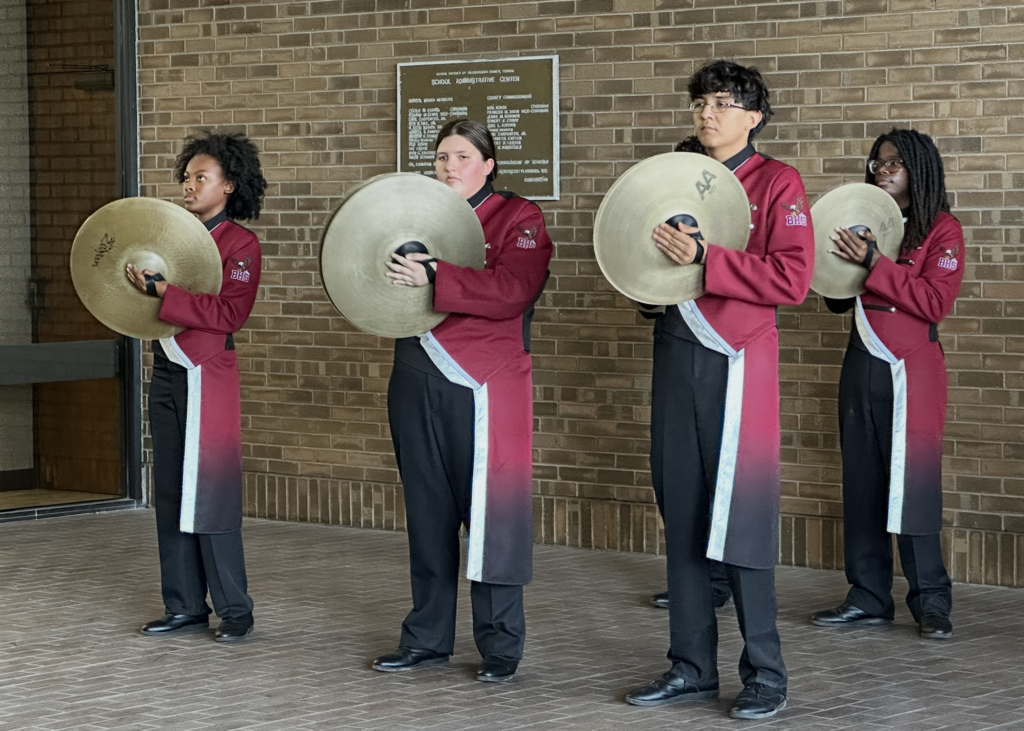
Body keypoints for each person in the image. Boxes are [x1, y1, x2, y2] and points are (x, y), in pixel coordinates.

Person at [626, 60, 814, 720]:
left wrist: (707, 259)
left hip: (739, 366)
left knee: (745, 516)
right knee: (682, 515)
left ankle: (766, 671)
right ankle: (690, 665)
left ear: (754, 116)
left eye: (724, 103)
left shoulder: (777, 181)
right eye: (702, 101)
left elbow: (792, 280)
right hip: (677, 355)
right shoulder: (673, 177)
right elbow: (646, 268)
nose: (708, 112)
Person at [373, 119, 552, 682]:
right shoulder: (412, 214)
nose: (451, 166)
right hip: (415, 373)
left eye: (463, 156)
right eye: (443, 157)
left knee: (492, 514)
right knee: (427, 515)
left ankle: (500, 645)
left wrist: (435, 274)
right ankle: (426, 636)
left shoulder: (519, 217)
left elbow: (513, 291)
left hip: (485, 383)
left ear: (488, 164)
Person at [811, 129, 963, 640]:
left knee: (913, 481)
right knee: (862, 481)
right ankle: (868, 596)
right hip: (862, 361)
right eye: (877, 162)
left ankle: (931, 601)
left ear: (919, 168)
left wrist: (873, 262)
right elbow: (834, 296)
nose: (883, 169)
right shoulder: (862, 224)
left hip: (914, 365)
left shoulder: (942, 230)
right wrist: (832, 262)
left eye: (895, 162)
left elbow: (933, 302)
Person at [126, 131, 266, 642]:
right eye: (186, 178)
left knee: (212, 491)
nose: (189, 187)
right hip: (167, 369)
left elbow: (230, 313)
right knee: (170, 491)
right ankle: (184, 604)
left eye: (200, 178)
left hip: (209, 373)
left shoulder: (240, 243)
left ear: (228, 185)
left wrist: (165, 291)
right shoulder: (173, 237)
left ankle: (235, 610)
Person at [647, 134, 731, 614]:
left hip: (724, 354)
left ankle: (722, 576)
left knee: (722, 469)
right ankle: (697, 580)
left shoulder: (726, 215)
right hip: (675, 345)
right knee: (672, 469)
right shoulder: (663, 219)